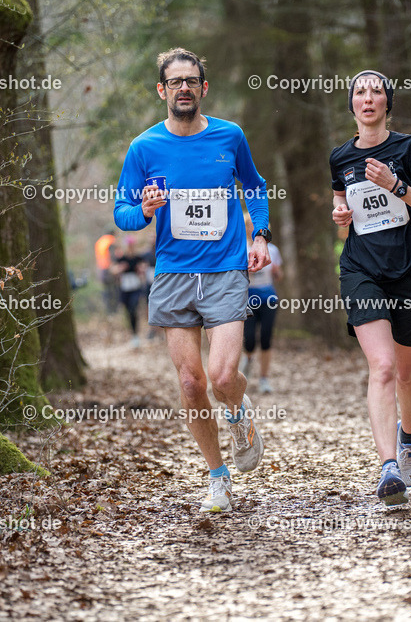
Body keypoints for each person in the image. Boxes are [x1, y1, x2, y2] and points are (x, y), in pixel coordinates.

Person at [114, 48, 272, 513]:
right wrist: (142, 210)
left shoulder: (230, 135)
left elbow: (256, 186)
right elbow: (122, 213)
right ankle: (218, 478)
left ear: (203, 88)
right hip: (173, 275)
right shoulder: (144, 148)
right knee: (190, 384)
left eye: (192, 80)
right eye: (174, 81)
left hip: (225, 270)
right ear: (162, 91)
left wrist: (259, 234)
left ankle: (240, 414)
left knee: (223, 376)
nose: (184, 87)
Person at [330, 70, 411, 506]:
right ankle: (388, 468)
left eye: (376, 91)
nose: (368, 97)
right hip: (361, 268)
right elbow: (342, 202)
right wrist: (340, 213)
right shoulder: (340, 157)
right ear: (351, 104)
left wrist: (396, 186)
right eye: (359, 91)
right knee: (380, 367)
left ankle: (409, 437)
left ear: (387, 103)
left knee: (405, 369)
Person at [241, 213, 282, 393]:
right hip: (248, 299)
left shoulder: (272, 250)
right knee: (249, 340)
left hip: (269, 298)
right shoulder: (241, 249)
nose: (252, 228)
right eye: (248, 225)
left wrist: (275, 271)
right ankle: (248, 361)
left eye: (254, 225)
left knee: (266, 338)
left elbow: (279, 276)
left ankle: (264, 379)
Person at [112, 236, 147, 347]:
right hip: (125, 288)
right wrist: (119, 269)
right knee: (128, 311)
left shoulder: (138, 258)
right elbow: (113, 270)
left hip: (136, 287)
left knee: (133, 308)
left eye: (132, 246)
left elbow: (145, 267)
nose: (130, 248)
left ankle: (136, 334)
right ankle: (133, 334)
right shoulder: (121, 258)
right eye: (128, 246)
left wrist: (141, 269)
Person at [95, 229, 118, 314]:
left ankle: (107, 310)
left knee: (106, 290)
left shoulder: (100, 241)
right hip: (109, 269)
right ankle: (113, 311)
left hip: (101, 269)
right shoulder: (111, 241)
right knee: (113, 290)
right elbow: (112, 255)